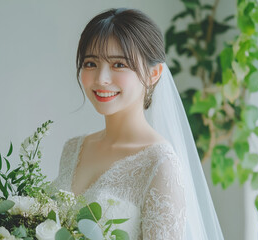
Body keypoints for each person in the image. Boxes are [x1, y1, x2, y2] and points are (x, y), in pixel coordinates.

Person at [53, 8, 224, 239]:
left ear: (154, 74)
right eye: (91, 63)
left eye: (119, 65)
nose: (101, 78)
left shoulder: (160, 165)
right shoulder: (72, 149)